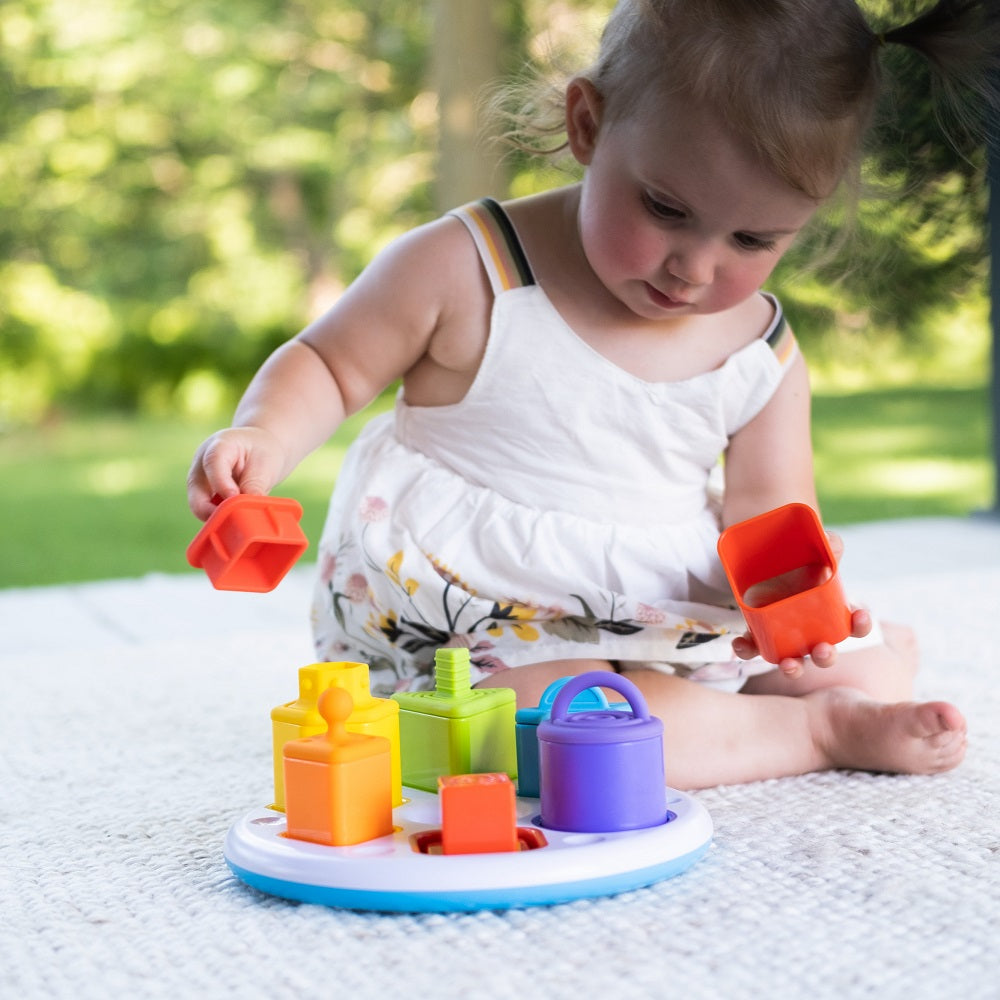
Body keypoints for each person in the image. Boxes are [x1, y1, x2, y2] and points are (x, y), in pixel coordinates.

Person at [189, 0, 997, 789]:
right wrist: (262, 434)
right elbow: (331, 365)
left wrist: (788, 594)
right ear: (587, 124)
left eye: (753, 240)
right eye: (666, 209)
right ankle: (816, 731)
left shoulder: (764, 354)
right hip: (477, 608)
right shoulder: (467, 269)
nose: (695, 266)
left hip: (655, 604)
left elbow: (771, 515)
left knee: (855, 668)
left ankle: (825, 684)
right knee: (562, 729)